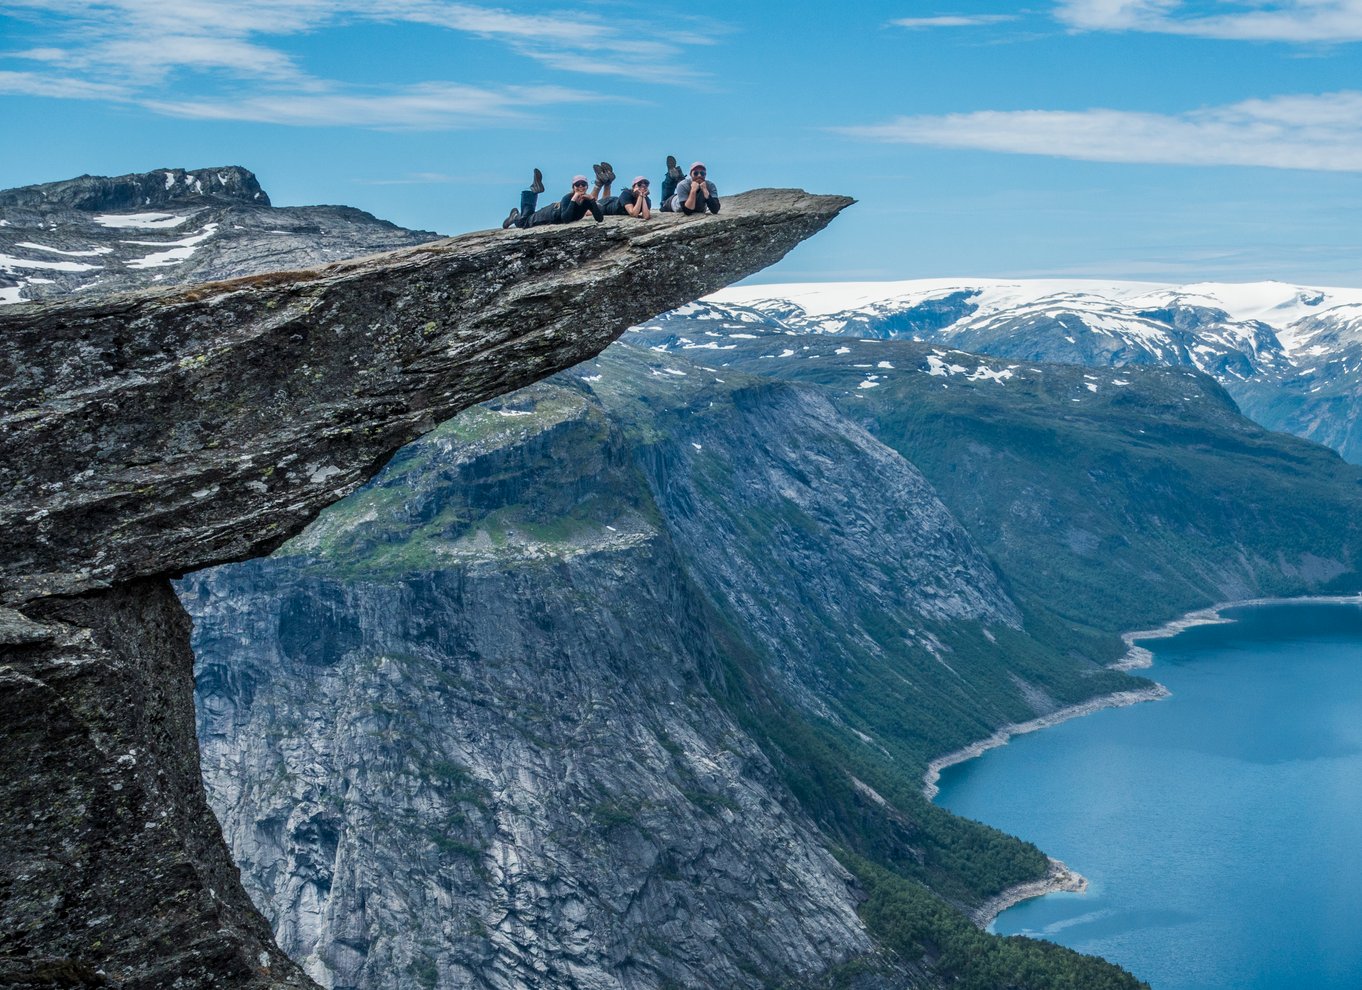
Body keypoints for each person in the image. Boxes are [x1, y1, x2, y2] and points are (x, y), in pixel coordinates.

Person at [503, 169, 603, 229]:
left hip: (553, 214)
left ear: (587, 186)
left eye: (583, 184)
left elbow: (599, 219)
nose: (580, 187)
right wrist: (574, 199)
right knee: (524, 222)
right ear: (573, 187)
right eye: (577, 184)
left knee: (527, 217)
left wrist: (592, 200)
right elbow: (566, 219)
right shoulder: (567, 198)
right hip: (549, 214)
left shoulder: (587, 201)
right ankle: (515, 216)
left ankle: (533, 191)